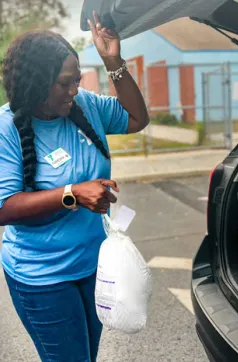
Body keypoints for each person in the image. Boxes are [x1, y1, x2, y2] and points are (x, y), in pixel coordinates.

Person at [0, 11, 149, 362]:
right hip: (43, 279)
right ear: (37, 83)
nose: (74, 90)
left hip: (93, 266)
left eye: (77, 80)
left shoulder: (86, 107)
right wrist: (73, 193)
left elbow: (137, 118)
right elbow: (4, 207)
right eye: (65, 83)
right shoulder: (6, 128)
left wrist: (113, 60)